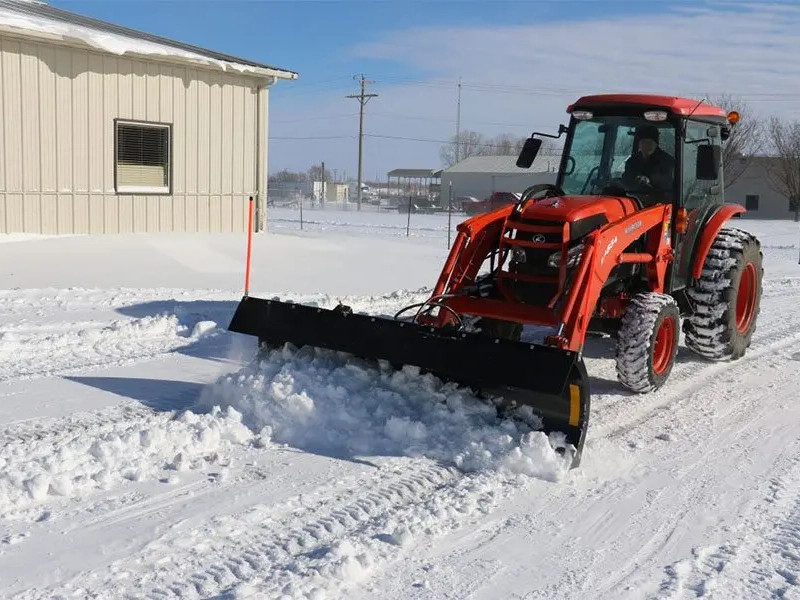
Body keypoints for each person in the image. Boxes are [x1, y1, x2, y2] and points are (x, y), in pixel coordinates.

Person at [621, 125, 675, 199]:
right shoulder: (632, 161)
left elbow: (668, 181)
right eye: (644, 142)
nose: (647, 145)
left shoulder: (667, 160)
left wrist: (649, 179)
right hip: (635, 199)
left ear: (656, 143)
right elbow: (626, 178)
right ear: (639, 144)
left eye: (650, 142)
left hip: (660, 202)